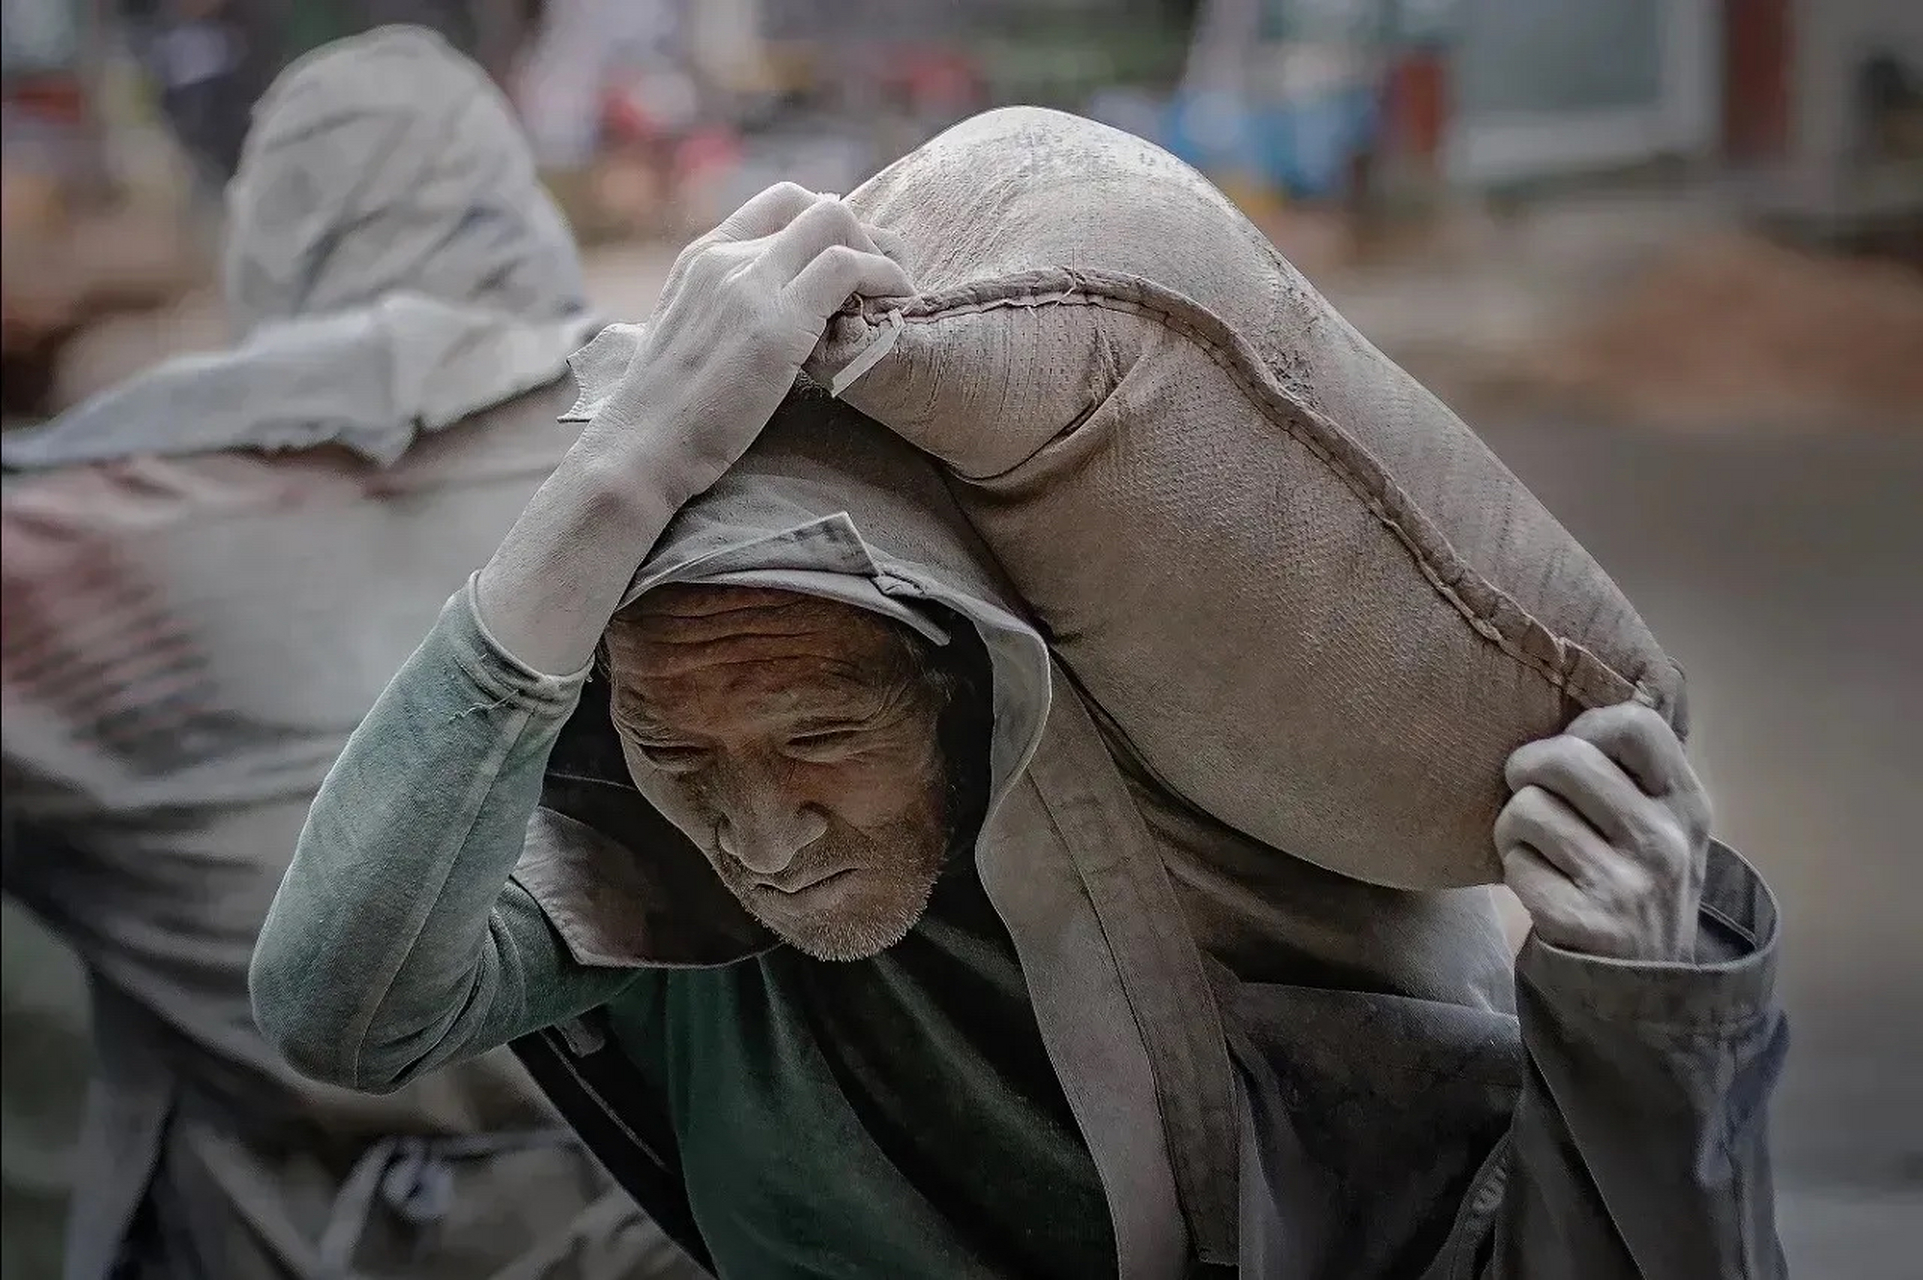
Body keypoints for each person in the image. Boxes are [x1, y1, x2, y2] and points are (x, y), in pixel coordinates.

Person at [251, 180, 1790, 1279]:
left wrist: (1636, 1024)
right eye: (680, 751)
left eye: (818, 737)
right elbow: (341, 1000)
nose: (760, 834)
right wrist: (613, 481)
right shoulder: (663, 893)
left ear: (968, 689)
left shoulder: (1217, 905)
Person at [1, 26, 702, 1280]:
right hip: (673, 1216)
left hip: (266, 1227)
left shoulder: (69, 537)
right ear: (517, 210)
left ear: (261, 240)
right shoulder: (700, 452)